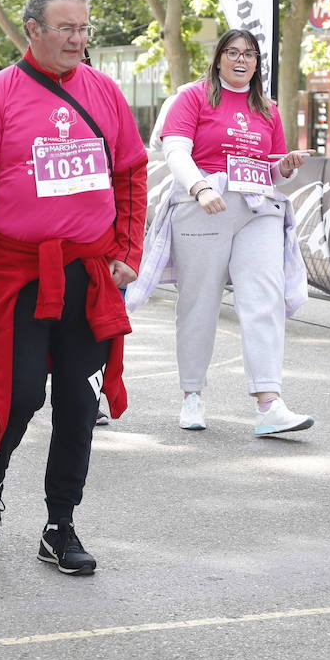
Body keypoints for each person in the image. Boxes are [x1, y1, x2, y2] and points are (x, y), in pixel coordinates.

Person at [0, 0, 147, 576]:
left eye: (84, 29)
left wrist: (128, 251)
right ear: (31, 30)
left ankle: (60, 524)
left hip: (88, 278)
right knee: (21, 395)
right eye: (66, 28)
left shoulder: (104, 93)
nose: (78, 39)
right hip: (18, 275)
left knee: (76, 400)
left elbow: (132, 176)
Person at [130, 29, 314, 437]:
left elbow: (271, 167)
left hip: (257, 207)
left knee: (264, 295)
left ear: (257, 63)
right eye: (232, 52)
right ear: (218, 59)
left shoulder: (266, 108)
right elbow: (176, 150)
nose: (241, 60)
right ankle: (192, 394)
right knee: (199, 301)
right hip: (204, 204)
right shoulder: (193, 97)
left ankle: (269, 402)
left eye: (249, 54)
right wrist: (199, 187)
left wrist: (285, 167)